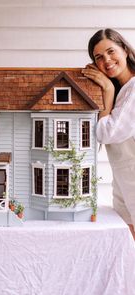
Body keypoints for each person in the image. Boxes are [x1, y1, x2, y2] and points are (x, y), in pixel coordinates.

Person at [82, 28, 135, 240]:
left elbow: (106, 133)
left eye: (111, 51)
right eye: (99, 57)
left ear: (124, 49)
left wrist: (108, 90)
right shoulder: (123, 90)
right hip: (123, 176)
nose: (107, 60)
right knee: (127, 240)